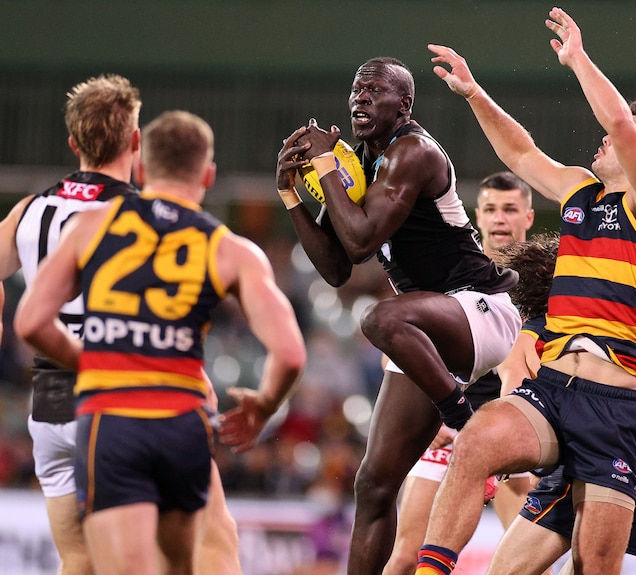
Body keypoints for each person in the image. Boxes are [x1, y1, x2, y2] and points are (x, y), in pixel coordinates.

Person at [420, 6, 636, 574]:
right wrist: (475, 93)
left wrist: (578, 60)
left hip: (616, 413)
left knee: (592, 568)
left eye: (620, 139)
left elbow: (623, 126)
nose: (603, 139)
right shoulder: (581, 191)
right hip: (552, 393)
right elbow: (521, 154)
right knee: (475, 442)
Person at [14, 110, 306, 575]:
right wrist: (264, 405)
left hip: (103, 414)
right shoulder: (228, 247)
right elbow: (290, 353)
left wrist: (92, 362)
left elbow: (30, 321)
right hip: (180, 418)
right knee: (202, 554)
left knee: (92, 561)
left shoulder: (87, 225)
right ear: (208, 175)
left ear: (143, 169)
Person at [275, 57, 522, 575]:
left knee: (380, 321)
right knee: (373, 485)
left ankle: (466, 423)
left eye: (373, 91)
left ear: (404, 104)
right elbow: (338, 269)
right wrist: (292, 196)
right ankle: (461, 416)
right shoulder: (361, 159)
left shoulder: (413, 151)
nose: (359, 100)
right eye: (355, 91)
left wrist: (325, 169)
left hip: (480, 307)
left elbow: (363, 242)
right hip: (429, 327)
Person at [487, 234, 636, 575]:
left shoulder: (529, 334)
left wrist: (495, 460)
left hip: (587, 463)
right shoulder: (613, 330)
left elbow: (512, 402)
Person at [383, 171, 538, 575]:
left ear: (529, 218)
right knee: (404, 557)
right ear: (476, 218)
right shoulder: (452, 268)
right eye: (490, 209)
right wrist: (425, 407)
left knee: (527, 564)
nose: (500, 219)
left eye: (509, 209)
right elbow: (402, 342)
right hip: (450, 423)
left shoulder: (543, 280)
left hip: (510, 425)